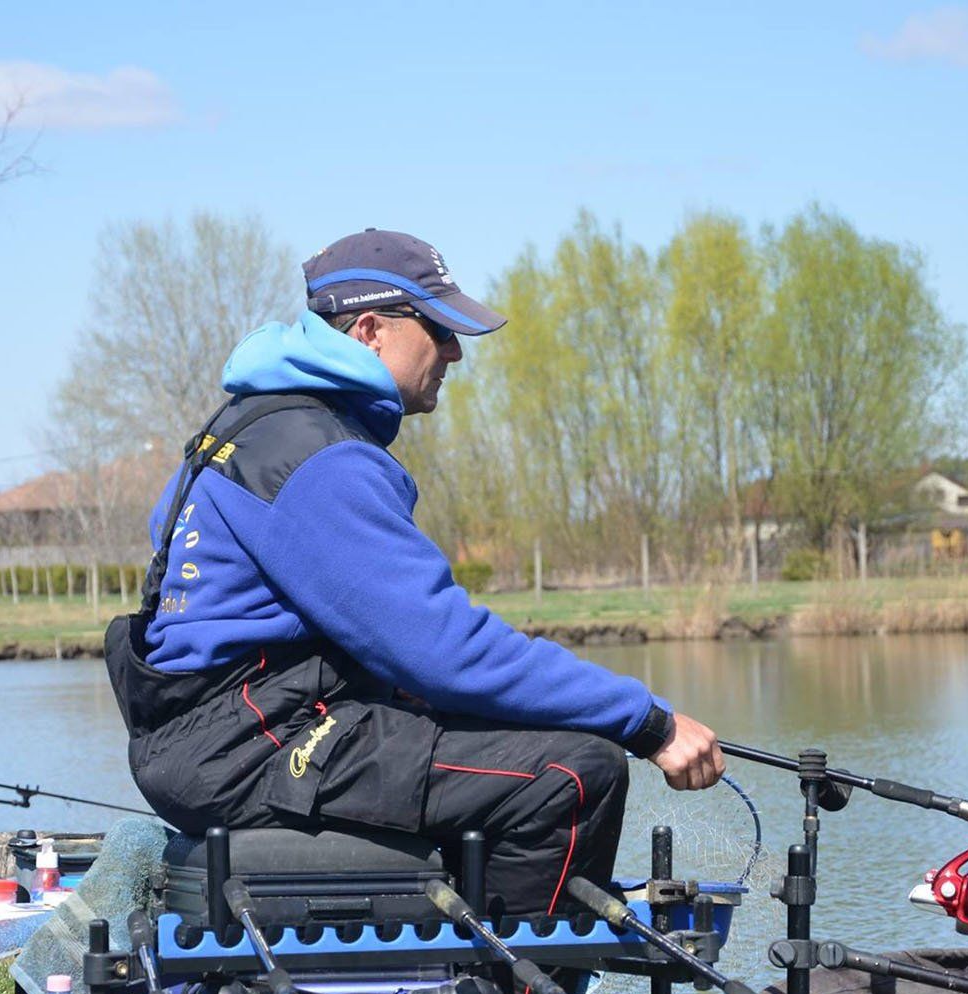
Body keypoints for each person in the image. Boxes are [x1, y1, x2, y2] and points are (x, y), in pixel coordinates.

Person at [108, 228, 724, 914]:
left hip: (205, 741)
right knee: (575, 774)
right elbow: (446, 650)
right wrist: (648, 723)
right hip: (253, 747)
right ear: (370, 330)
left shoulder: (244, 426)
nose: (456, 350)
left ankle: (463, 981)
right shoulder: (318, 454)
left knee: (499, 740)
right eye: (438, 327)